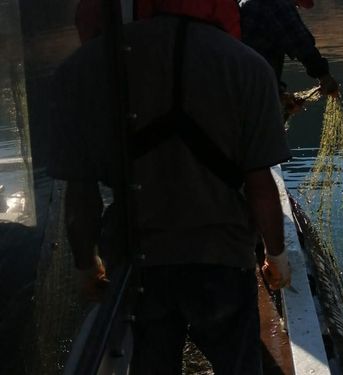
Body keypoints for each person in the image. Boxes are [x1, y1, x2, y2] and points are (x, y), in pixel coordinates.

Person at [48, 1, 292, 373]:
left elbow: (82, 198)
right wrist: (276, 257)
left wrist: (86, 263)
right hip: (222, 259)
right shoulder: (248, 66)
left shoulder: (84, 68)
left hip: (138, 265)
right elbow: (260, 187)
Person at [238, 0, 339, 104]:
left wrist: (280, 93)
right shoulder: (276, 4)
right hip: (252, 93)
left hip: (239, 86)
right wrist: (324, 76)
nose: (312, 4)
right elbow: (300, 43)